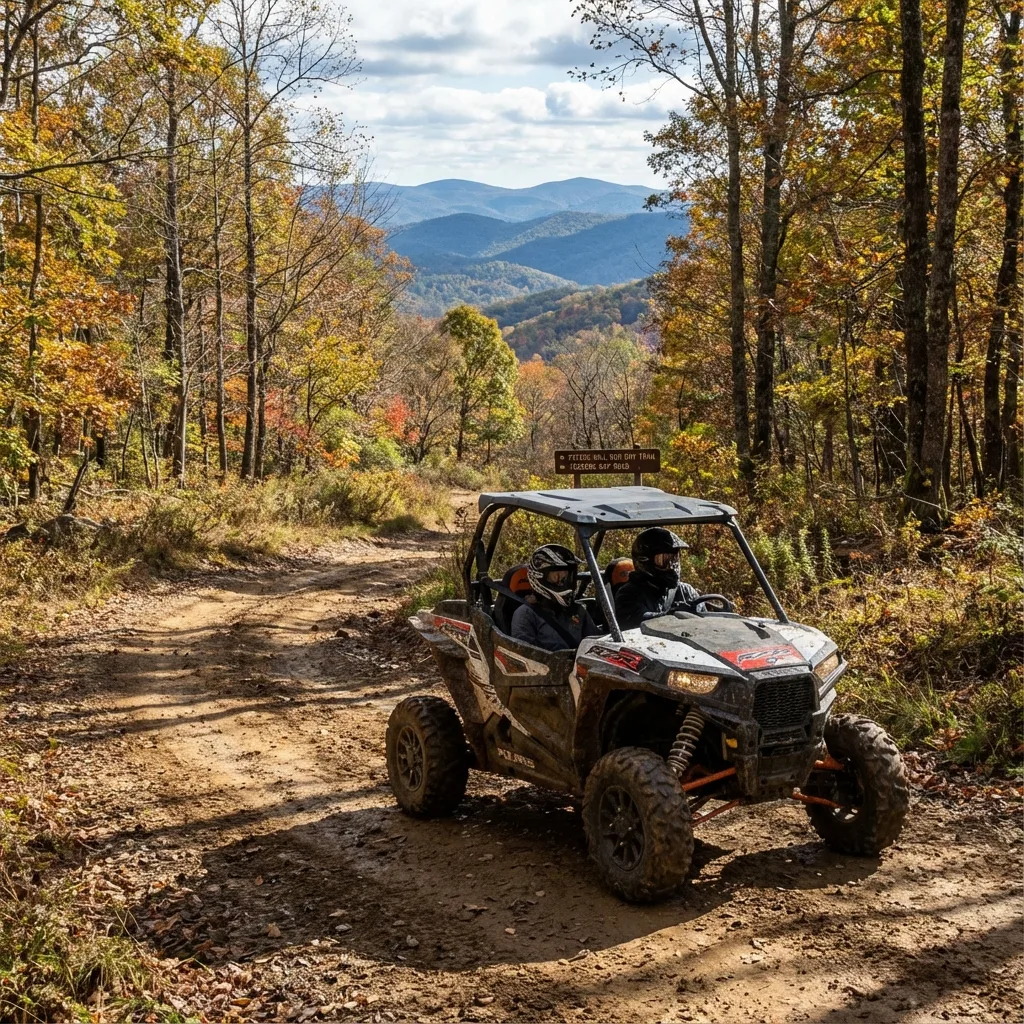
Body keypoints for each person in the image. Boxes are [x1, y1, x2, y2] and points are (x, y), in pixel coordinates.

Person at [511, 544, 601, 651]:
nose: (562, 582)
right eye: (556, 576)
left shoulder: (577, 611)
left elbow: (597, 645)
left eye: (565, 577)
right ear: (539, 577)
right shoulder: (526, 614)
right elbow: (524, 655)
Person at [614, 527, 702, 631]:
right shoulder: (628, 594)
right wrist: (671, 615)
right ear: (644, 561)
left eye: (674, 559)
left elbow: (707, 622)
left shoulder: (686, 591)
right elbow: (636, 624)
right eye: (663, 560)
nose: (672, 566)